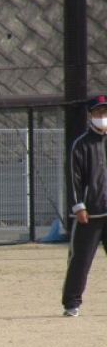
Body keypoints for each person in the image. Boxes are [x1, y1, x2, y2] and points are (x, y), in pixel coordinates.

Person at [61, 94, 107, 317]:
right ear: (90, 115)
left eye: (105, 112)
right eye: (98, 112)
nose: (102, 116)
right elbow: (73, 178)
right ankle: (72, 303)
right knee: (81, 259)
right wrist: (78, 206)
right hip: (90, 213)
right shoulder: (81, 144)